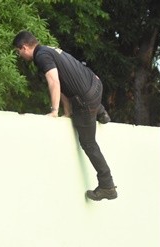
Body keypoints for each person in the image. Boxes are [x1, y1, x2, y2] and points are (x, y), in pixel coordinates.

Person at [12, 30, 118, 201]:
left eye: (19, 52)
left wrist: (54, 111)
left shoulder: (41, 57)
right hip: (96, 84)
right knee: (82, 106)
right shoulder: (49, 49)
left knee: (88, 143)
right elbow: (65, 83)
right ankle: (101, 112)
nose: (20, 56)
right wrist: (67, 112)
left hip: (86, 99)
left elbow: (54, 81)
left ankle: (107, 185)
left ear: (24, 48)